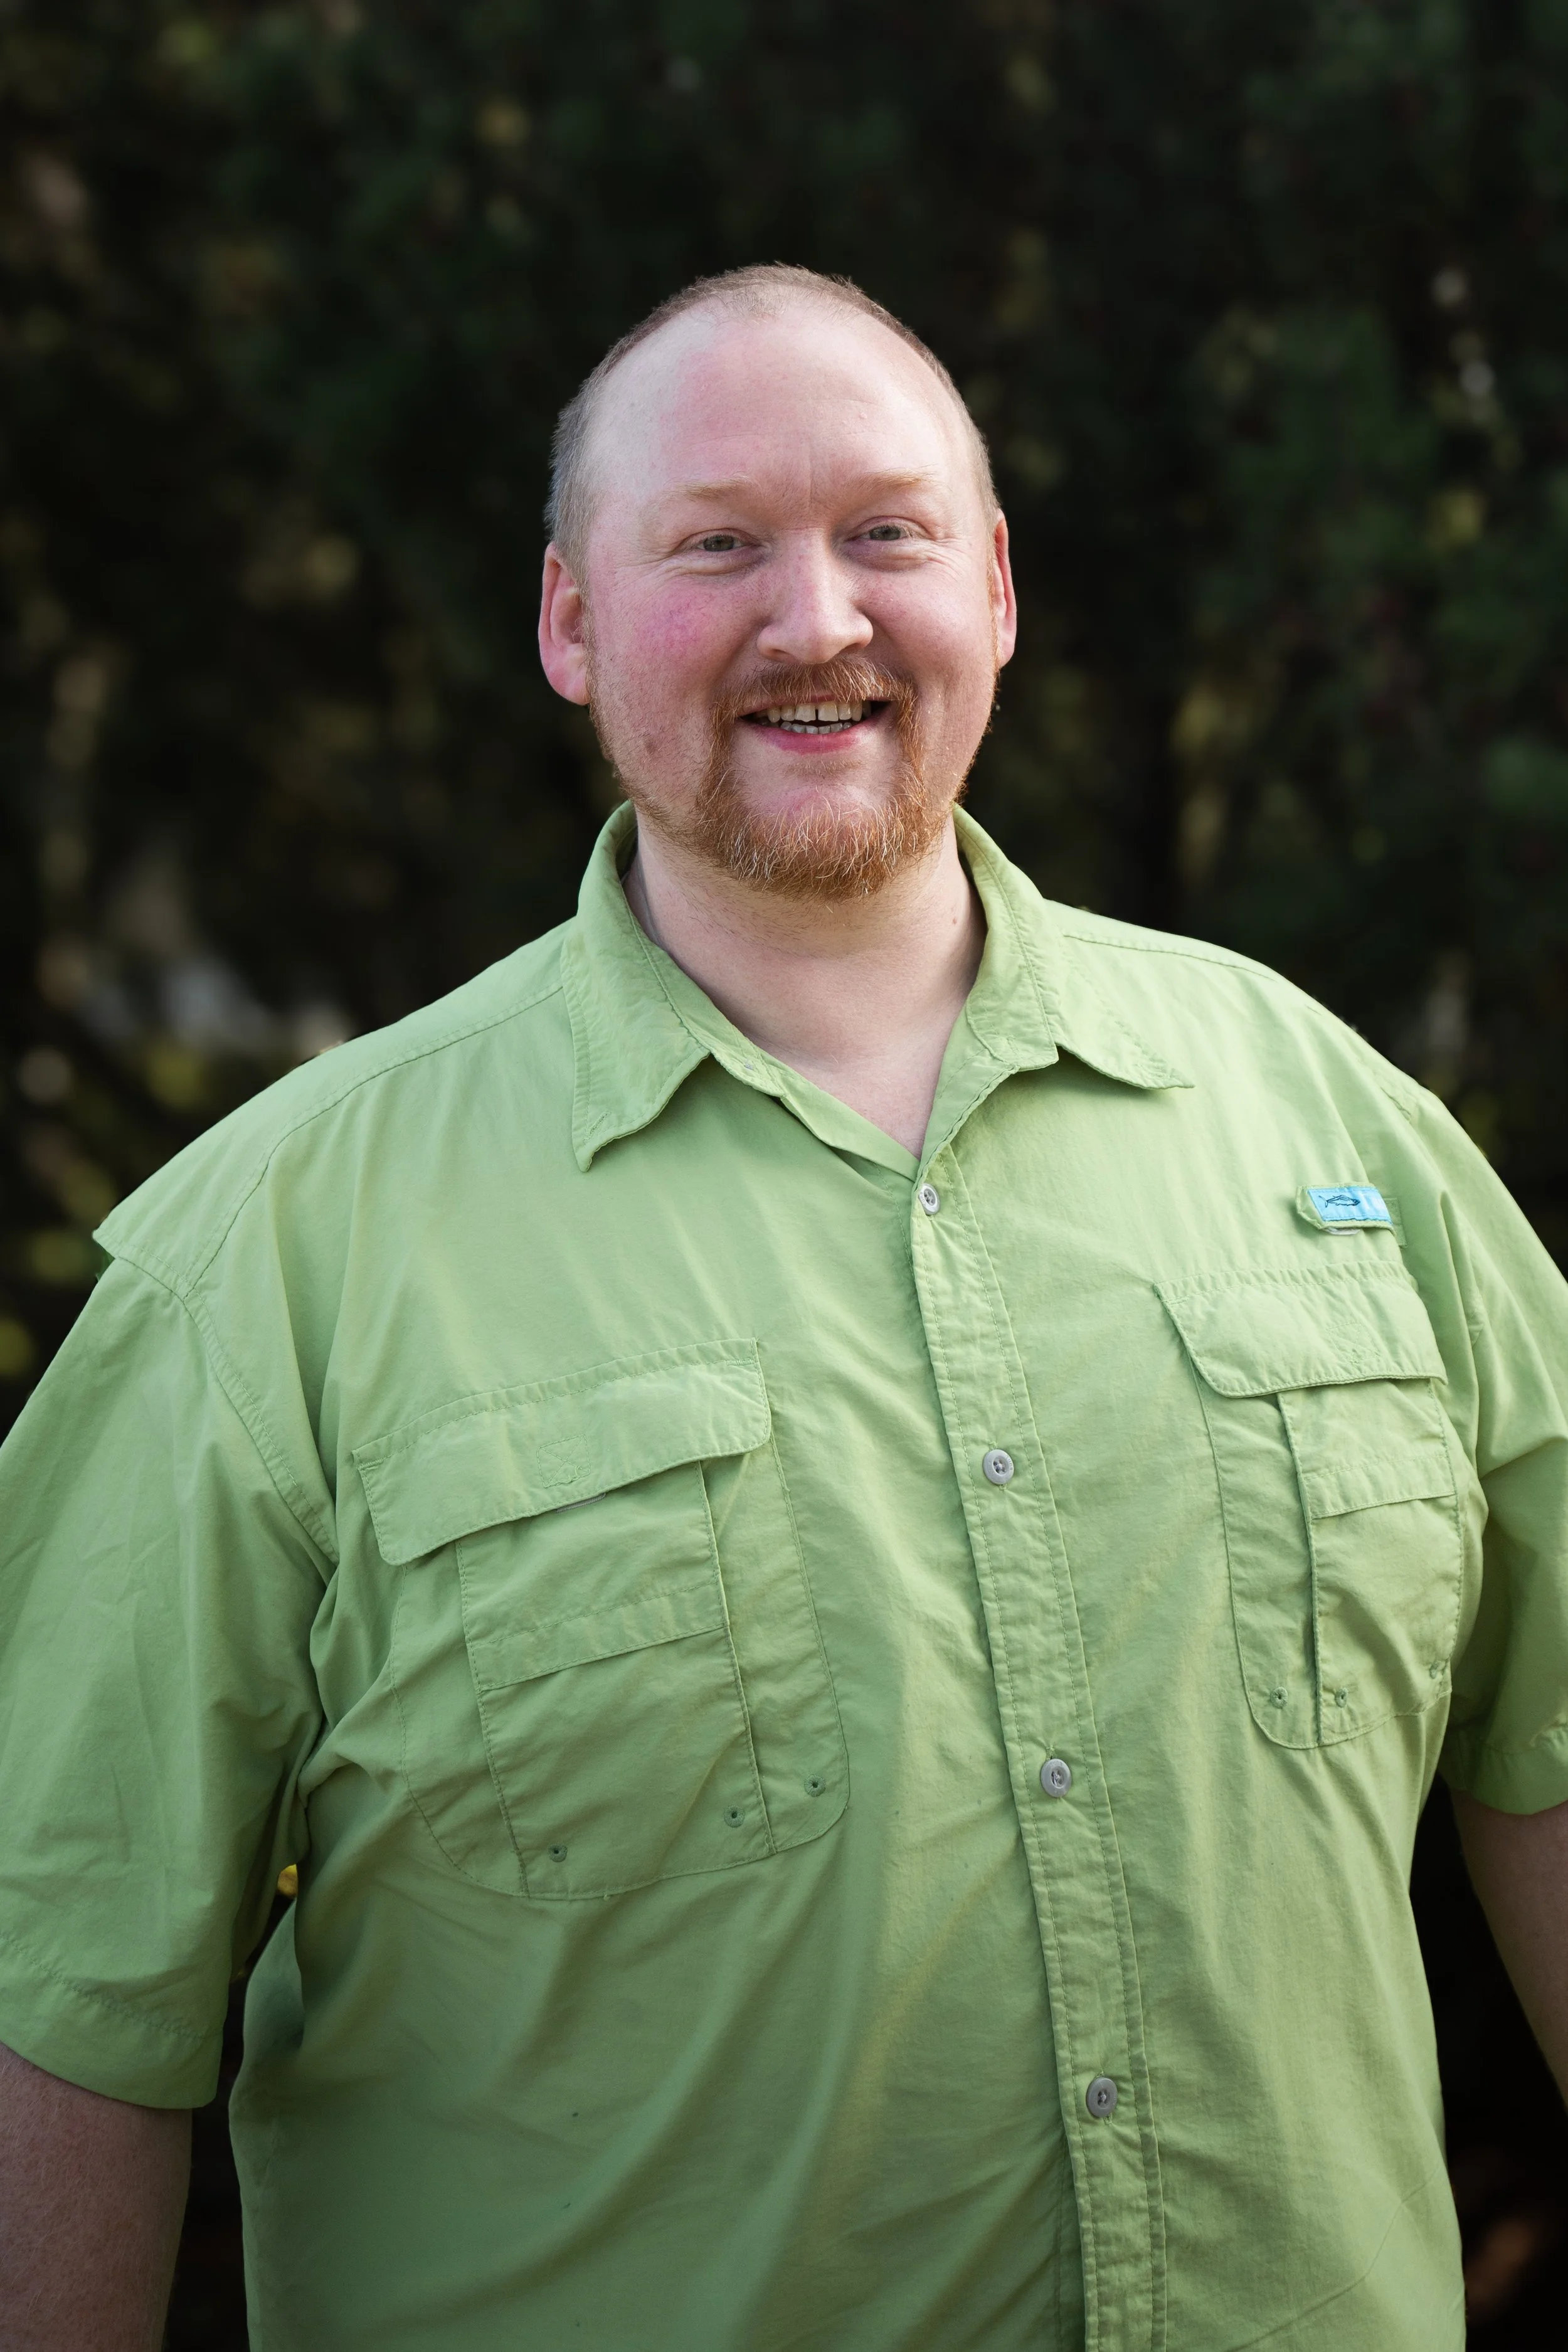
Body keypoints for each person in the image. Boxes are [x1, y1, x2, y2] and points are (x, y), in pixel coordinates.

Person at [1, 262, 1566, 2352]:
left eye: (883, 532)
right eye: (717, 544)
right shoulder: (268, 1258)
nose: (816, 619)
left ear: (991, 586)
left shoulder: (1328, 1115)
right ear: (570, 622)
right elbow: (59, 1994)